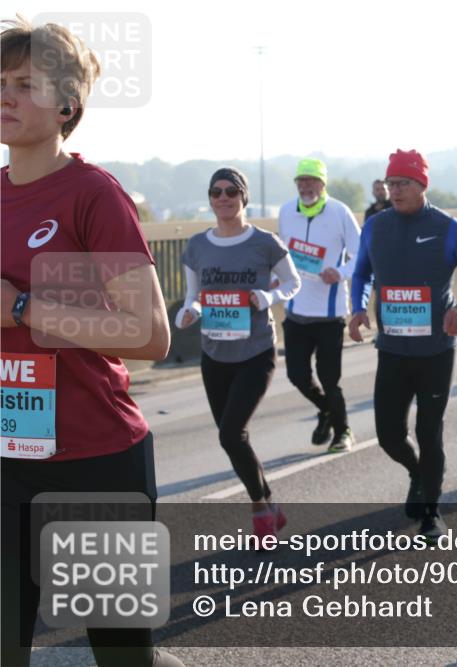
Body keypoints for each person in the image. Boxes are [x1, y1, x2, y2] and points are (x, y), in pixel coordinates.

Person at [1, 17, 184, 667]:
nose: (6, 95)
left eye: (25, 83)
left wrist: (21, 306)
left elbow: (149, 334)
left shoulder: (93, 195)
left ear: (67, 105)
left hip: (96, 461)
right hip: (7, 460)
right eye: (1, 82)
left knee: (120, 655)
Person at [349, 149, 457, 541]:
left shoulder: (448, 228)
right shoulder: (376, 227)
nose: (394, 191)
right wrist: (357, 309)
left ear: (421, 185)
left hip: (435, 350)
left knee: (429, 431)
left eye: (403, 184)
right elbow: (361, 273)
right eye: (391, 183)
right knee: (388, 435)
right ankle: (416, 473)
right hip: (393, 350)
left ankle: (432, 513)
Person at [176, 167, 302, 539]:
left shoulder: (265, 243)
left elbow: (292, 282)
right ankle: (266, 500)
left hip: (255, 351)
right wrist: (189, 313)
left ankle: (260, 510)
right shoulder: (197, 246)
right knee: (232, 436)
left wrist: (269, 297)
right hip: (214, 354)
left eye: (231, 191)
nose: (223, 198)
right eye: (216, 192)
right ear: (210, 198)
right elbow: (194, 298)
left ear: (243, 197)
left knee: (231, 434)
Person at [278, 158, 361, 451]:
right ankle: (326, 409)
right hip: (296, 312)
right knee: (297, 376)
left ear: (323, 184)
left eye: (311, 180)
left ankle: (343, 431)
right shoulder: (287, 211)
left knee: (329, 378)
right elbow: (283, 255)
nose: (305, 186)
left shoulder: (339, 212)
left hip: (329, 314)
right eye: (300, 180)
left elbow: (360, 254)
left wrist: (340, 273)